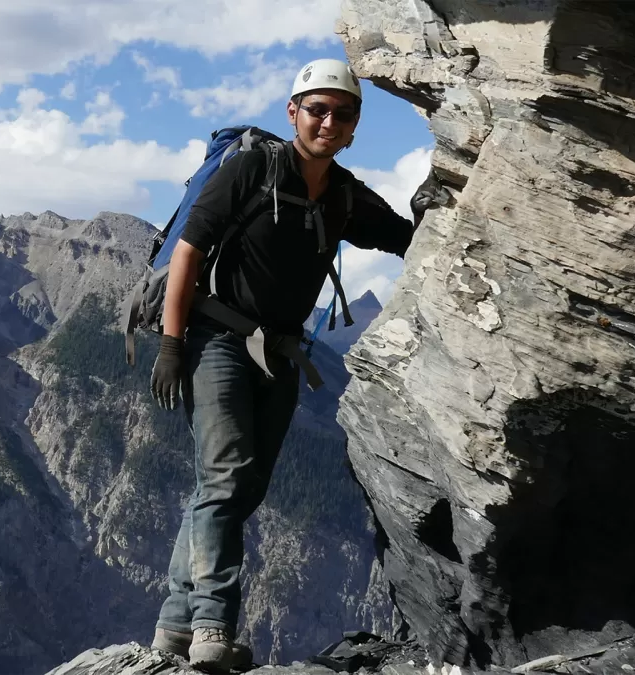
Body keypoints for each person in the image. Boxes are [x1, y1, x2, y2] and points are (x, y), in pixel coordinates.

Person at [148, 58, 442, 672]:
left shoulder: (342, 193)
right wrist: (173, 343)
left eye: (343, 113)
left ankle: (174, 628)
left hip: (280, 354)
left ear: (355, 125)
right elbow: (188, 250)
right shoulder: (254, 168)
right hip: (216, 339)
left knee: (237, 487)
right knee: (227, 477)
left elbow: (403, 237)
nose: (328, 121)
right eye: (317, 109)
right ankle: (211, 627)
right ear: (294, 113)